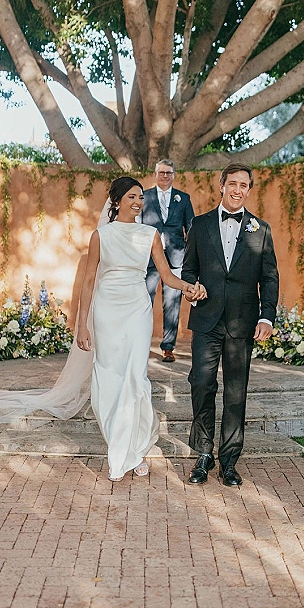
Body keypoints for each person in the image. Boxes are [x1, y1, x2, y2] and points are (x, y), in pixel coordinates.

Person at [75, 176, 206, 482]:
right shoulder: (101, 236)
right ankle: (118, 447)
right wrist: (82, 324)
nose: (137, 202)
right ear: (116, 201)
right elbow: (89, 281)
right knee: (109, 377)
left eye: (140, 197)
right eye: (131, 197)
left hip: (137, 308)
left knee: (135, 377)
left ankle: (134, 452)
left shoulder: (150, 234)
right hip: (107, 310)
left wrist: (188, 286)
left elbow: (167, 275)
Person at [181, 164, 279, 487]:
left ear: (249, 190)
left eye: (244, 185)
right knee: (202, 384)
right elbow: (188, 270)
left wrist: (267, 316)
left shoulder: (260, 229)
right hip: (207, 319)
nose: (238, 190)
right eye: (233, 184)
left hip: (242, 323)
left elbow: (270, 277)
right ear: (221, 185)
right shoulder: (200, 224)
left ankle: (229, 460)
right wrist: (193, 289)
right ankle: (204, 453)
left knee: (236, 392)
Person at [141, 160, 194, 362]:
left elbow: (191, 230)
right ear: (155, 174)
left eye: (169, 173)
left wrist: (190, 258)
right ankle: (141, 343)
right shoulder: (144, 197)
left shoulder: (184, 199)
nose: (165, 176)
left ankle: (168, 347)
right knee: (144, 301)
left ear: (174, 175)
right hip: (150, 260)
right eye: (162, 172)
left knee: (172, 304)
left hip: (175, 259)